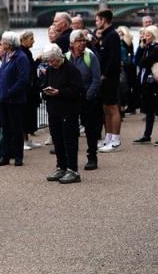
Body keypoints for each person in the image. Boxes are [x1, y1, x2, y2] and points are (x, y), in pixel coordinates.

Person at [40, 44, 84, 184]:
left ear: (59, 56)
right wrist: (45, 92)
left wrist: (59, 92)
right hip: (53, 110)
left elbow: (78, 90)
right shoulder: (50, 69)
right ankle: (61, 167)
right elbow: (44, 85)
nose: (51, 63)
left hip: (68, 110)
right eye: (49, 61)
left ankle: (73, 170)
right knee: (57, 140)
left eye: (53, 60)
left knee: (69, 140)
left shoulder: (72, 69)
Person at [0, 31, 31, 167]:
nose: (1, 43)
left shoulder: (21, 57)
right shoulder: (6, 56)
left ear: (9, 44)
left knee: (16, 128)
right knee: (5, 128)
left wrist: (9, 92)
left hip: (15, 100)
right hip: (4, 98)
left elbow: (23, 79)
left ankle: (18, 156)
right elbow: (3, 75)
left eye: (3, 42)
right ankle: (5, 155)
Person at [67, 29, 102, 170]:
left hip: (88, 98)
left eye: (83, 41)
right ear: (72, 43)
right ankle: (71, 157)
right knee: (71, 129)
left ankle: (92, 156)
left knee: (90, 129)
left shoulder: (90, 56)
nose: (82, 43)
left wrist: (88, 96)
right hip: (72, 99)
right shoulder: (66, 57)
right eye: (78, 41)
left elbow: (96, 79)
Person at [133, 26, 158, 146]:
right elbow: (136, 61)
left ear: (154, 35)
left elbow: (145, 62)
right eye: (144, 35)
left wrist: (144, 53)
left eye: (147, 35)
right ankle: (147, 135)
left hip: (156, 83)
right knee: (149, 111)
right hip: (146, 84)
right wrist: (141, 47)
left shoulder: (157, 48)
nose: (144, 37)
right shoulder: (145, 48)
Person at [94, 9, 122, 152]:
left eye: (97, 20)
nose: (96, 22)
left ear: (104, 20)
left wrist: (104, 74)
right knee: (105, 108)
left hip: (110, 78)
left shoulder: (112, 36)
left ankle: (116, 140)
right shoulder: (105, 36)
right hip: (104, 77)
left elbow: (114, 59)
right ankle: (109, 137)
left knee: (112, 108)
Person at [19, 30, 42, 150]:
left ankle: (27, 140)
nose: (33, 41)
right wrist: (38, 61)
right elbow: (28, 69)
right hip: (26, 89)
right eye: (31, 39)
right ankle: (23, 141)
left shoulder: (26, 51)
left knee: (29, 114)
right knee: (25, 115)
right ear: (24, 39)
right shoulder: (22, 52)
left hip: (31, 88)